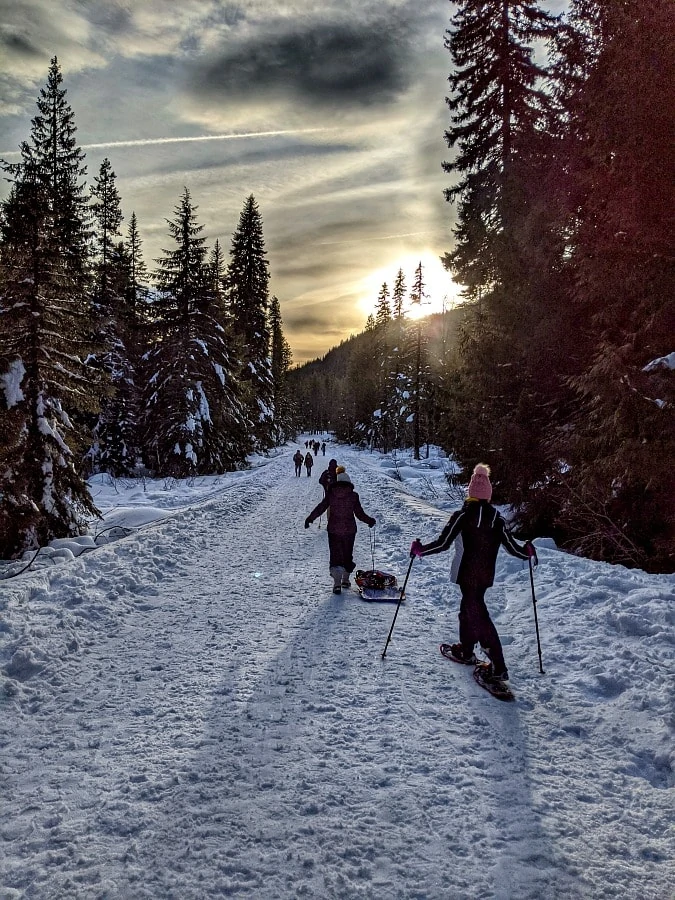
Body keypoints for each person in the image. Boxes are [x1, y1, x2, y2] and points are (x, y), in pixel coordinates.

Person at [410, 463, 536, 683]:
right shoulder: (497, 519)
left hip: (466, 575)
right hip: (484, 577)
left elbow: (443, 543)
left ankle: (499, 667)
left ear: (470, 493)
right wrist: (526, 552)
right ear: (488, 495)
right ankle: (466, 651)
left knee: (479, 619)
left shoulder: (462, 516)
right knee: (467, 611)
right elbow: (512, 547)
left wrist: (420, 550)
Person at [305, 470, 376, 593]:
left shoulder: (331, 494)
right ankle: (345, 580)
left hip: (334, 530)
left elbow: (321, 507)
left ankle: (337, 584)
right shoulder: (353, 496)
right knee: (347, 555)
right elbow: (359, 513)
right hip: (349, 530)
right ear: (348, 483)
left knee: (336, 556)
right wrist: (369, 520)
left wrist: (310, 518)